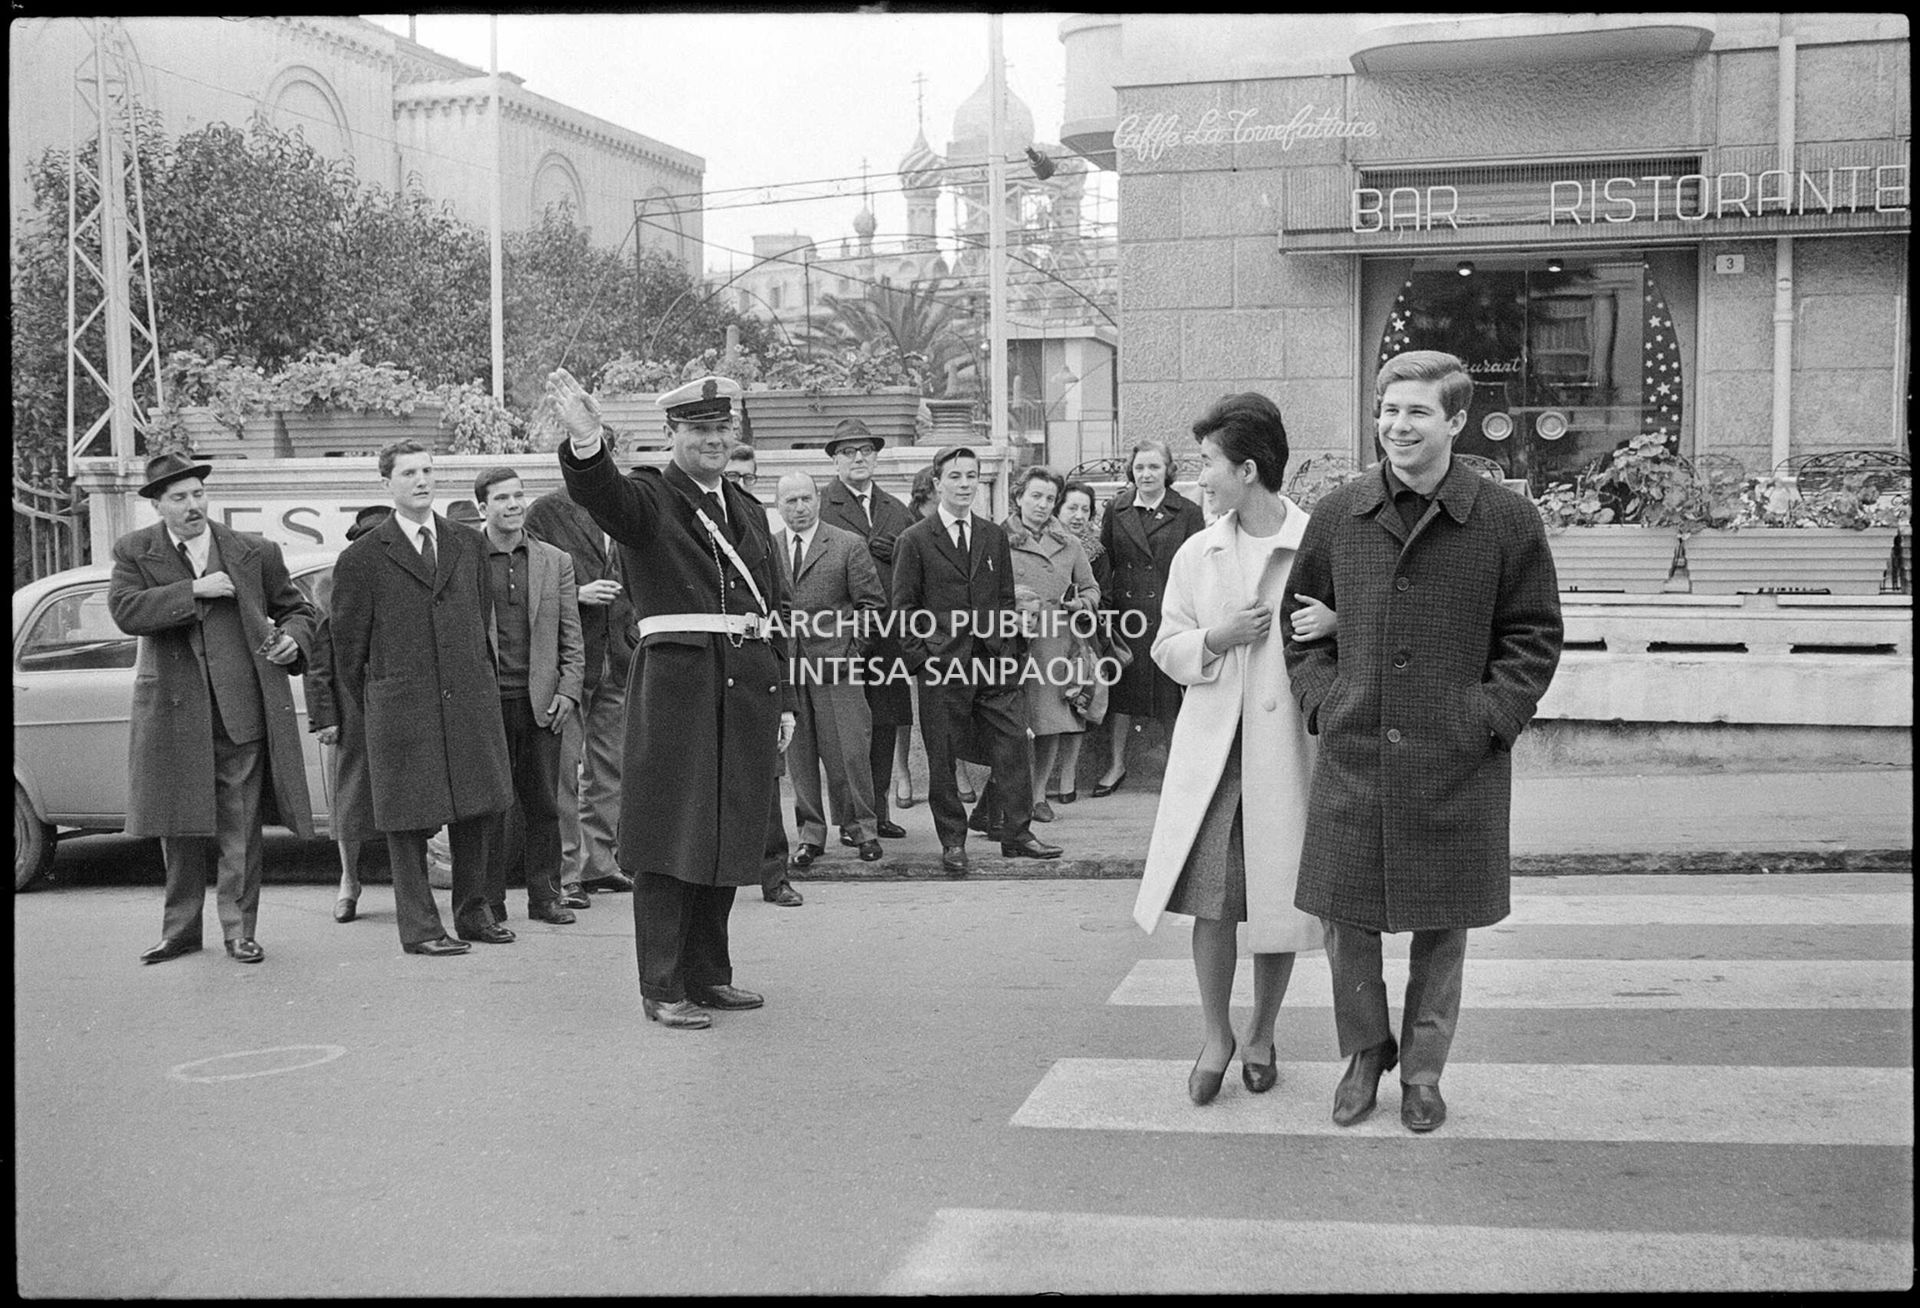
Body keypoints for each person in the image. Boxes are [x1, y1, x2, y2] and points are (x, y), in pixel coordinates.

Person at [1283, 349, 1563, 1133]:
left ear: (1456, 421)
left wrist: (1490, 718)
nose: (1396, 426)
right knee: (1348, 922)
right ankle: (1365, 1054)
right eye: (1387, 410)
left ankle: (1425, 1073)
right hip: (1357, 752)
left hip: (1456, 760)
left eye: (1415, 412)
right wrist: (1325, 703)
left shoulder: (1505, 518)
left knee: (1444, 927)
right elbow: (1300, 628)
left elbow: (1533, 635)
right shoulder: (1340, 514)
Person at [550, 370, 796, 1030]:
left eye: (722, 429)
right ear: (673, 435)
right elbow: (602, 495)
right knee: (670, 840)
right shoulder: (650, 499)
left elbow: (775, 607)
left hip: (746, 689)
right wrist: (585, 441)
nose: (713, 440)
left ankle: (709, 975)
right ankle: (662, 986)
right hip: (678, 691)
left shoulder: (745, 507)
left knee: (724, 834)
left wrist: (787, 700)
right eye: (698, 430)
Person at [1131, 393, 1339, 1105]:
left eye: (1208, 463)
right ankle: (1216, 1034)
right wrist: (1216, 639)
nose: (1199, 477)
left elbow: (1365, 627)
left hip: (1285, 754)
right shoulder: (1200, 549)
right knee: (1213, 903)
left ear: (1248, 469)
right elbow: (1166, 644)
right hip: (1217, 758)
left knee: (1277, 900)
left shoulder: (1318, 543)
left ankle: (1261, 1032)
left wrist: (1335, 621)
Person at [108, 452, 318, 966]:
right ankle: (179, 932)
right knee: (177, 826)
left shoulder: (253, 550)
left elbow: (297, 609)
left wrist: (294, 640)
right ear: (158, 506)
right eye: (179, 498)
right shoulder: (135, 551)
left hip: (240, 709)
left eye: (198, 494)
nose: (192, 505)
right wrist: (192, 591)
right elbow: (125, 611)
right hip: (174, 714)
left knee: (240, 827)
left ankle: (239, 931)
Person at [330, 438, 515, 957]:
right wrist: (381, 699)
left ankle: (475, 913)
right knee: (408, 823)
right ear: (386, 483)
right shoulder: (363, 558)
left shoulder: (466, 542)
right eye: (408, 472)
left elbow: (480, 620)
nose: (421, 480)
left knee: (479, 809)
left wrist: (477, 679)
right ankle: (421, 928)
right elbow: (348, 652)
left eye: (428, 470)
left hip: (467, 701)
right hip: (403, 708)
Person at [891, 445, 1062, 874]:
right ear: (937, 483)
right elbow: (903, 609)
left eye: (971, 476)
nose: (965, 484)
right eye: (955, 476)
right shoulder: (914, 540)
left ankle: (1017, 834)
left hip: (993, 661)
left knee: (1011, 743)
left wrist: (1008, 651)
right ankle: (953, 841)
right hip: (942, 666)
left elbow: (1005, 598)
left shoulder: (992, 535)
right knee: (943, 756)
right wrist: (923, 662)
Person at [474, 467, 585, 926]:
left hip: (542, 704)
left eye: (519, 495)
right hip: (487, 703)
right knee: (492, 810)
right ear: (483, 508)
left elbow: (571, 636)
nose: (514, 505)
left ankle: (546, 897)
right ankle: (491, 903)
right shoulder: (467, 556)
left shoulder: (554, 560)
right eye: (502, 498)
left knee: (545, 805)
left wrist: (569, 691)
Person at [525, 479, 639, 908]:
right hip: (568, 662)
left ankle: (600, 863)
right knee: (562, 773)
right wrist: (578, 594)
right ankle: (566, 872)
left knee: (611, 767)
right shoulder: (546, 511)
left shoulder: (623, 507)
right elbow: (529, 583)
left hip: (619, 654)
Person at [774, 471, 887, 868]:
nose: (799, 508)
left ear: (818, 500)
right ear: (778, 506)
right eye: (790, 501)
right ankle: (810, 835)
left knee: (850, 752)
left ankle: (862, 830)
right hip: (789, 668)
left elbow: (872, 606)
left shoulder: (846, 545)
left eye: (806, 499)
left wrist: (852, 649)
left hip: (838, 666)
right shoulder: (769, 550)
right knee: (799, 757)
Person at [815, 417, 914, 834]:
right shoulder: (822, 505)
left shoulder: (895, 508)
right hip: (843, 634)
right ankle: (850, 818)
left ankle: (880, 812)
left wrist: (897, 555)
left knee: (886, 722)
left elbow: (916, 566)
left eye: (866, 451)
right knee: (846, 732)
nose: (859, 459)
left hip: (887, 635)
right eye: (848, 452)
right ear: (836, 460)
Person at [1094, 438, 1206, 796]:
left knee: (1170, 692)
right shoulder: (1117, 508)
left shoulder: (1187, 511)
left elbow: (1196, 567)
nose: (1146, 474)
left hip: (1168, 613)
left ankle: (1178, 768)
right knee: (1122, 693)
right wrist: (1107, 613)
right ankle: (1116, 764)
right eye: (1140, 467)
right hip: (1128, 617)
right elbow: (1106, 561)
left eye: (1154, 467)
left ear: (1167, 471)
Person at [726, 443, 805, 908]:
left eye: (747, 478)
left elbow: (781, 614)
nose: (738, 485)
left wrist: (785, 698)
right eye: (731, 477)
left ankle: (775, 876)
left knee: (766, 781)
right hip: (708, 674)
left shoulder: (762, 534)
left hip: (757, 675)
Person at [305, 504, 390, 924]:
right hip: (353, 714)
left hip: (399, 710)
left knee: (410, 797)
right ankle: (349, 882)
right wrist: (325, 717)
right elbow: (318, 665)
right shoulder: (335, 592)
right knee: (350, 803)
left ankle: (416, 882)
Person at [1001, 466, 1098, 824]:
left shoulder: (1068, 544)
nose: (1042, 505)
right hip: (1011, 643)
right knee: (1011, 723)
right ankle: (1010, 796)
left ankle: (1039, 794)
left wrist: (1080, 604)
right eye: (1035, 496)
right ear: (1018, 497)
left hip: (1055, 643)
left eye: (1049, 499)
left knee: (1049, 721)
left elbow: (1090, 588)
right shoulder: (997, 538)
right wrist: (1012, 603)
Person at [1049, 481, 1105, 804]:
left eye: (1085, 509)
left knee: (1077, 704)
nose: (1078, 515)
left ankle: (1068, 774)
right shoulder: (1046, 541)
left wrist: (1083, 608)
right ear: (1059, 509)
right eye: (1072, 507)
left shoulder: (1096, 551)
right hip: (1046, 632)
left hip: (1083, 634)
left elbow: (1102, 593)